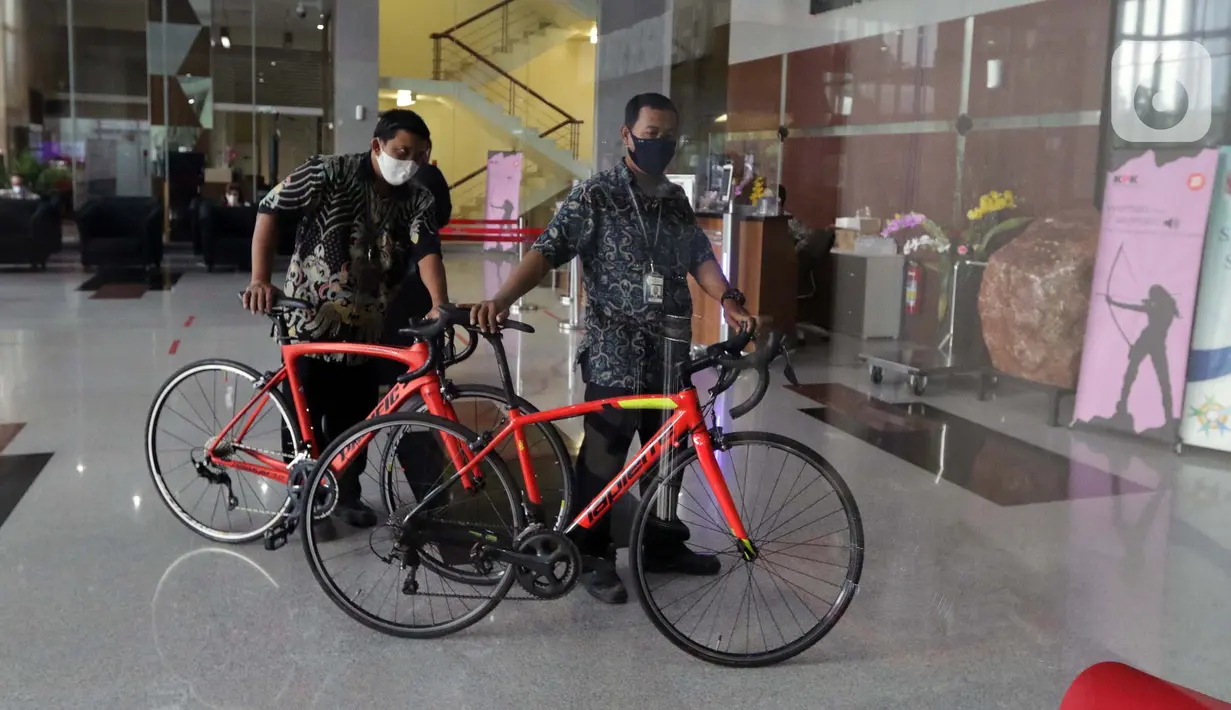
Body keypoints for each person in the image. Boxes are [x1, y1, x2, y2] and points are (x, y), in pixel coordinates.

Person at [471, 92, 754, 604]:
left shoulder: (673, 198)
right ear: (627, 136)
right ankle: (590, 554)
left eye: (669, 137)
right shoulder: (594, 196)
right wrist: (502, 297)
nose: (660, 145)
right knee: (604, 458)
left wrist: (729, 299)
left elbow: (699, 256)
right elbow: (546, 252)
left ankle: (658, 544)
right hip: (614, 350)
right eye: (651, 136)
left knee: (669, 455)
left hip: (669, 350)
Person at [242, 109, 448, 540]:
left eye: (420, 156)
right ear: (378, 146)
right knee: (304, 414)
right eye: (401, 152)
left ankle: (347, 493)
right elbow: (268, 208)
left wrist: (439, 304)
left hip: (367, 324)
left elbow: (426, 246)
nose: (409, 162)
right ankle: (304, 501)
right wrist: (260, 278)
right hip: (309, 319)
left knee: (355, 416)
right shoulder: (327, 172)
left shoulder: (417, 196)